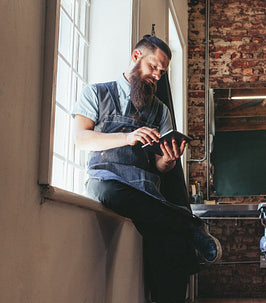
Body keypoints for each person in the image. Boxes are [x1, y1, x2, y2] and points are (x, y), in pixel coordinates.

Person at [72, 35, 221, 303]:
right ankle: (191, 226)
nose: (157, 75)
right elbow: (80, 140)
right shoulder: (95, 92)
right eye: (154, 67)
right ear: (136, 57)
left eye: (162, 72)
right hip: (107, 181)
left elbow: (159, 167)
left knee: (171, 247)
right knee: (114, 194)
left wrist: (169, 159)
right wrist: (127, 137)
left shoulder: (160, 111)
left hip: (147, 191)